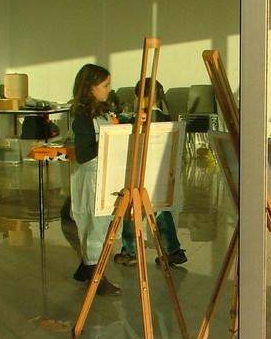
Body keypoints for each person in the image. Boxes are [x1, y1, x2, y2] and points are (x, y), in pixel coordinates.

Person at [114, 78, 188, 267]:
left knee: (131, 212)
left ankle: (130, 251)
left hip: (139, 173)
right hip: (160, 174)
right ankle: (173, 250)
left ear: (140, 97)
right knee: (161, 212)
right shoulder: (166, 118)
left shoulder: (138, 119)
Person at [70, 63, 122, 296]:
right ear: (91, 87)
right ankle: (95, 277)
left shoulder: (101, 111)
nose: (109, 89)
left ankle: (85, 269)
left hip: (103, 176)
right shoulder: (82, 117)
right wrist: (111, 137)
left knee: (103, 224)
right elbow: (84, 153)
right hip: (91, 178)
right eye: (105, 85)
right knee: (95, 227)